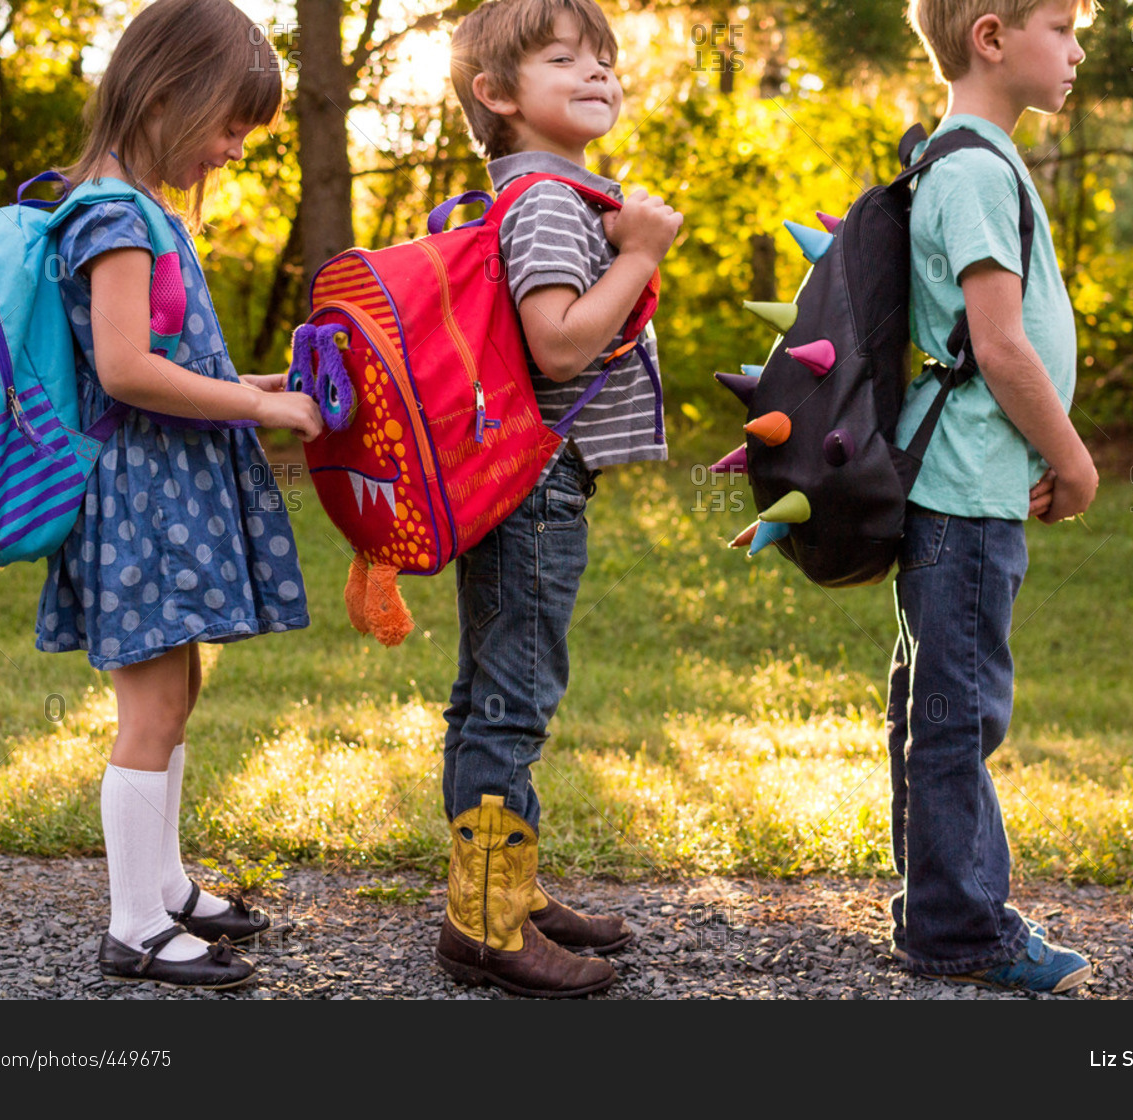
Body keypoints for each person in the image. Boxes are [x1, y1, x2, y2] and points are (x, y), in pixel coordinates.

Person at [35, 0, 323, 990]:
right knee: (150, 704)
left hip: (166, 488)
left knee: (177, 687)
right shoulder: (115, 216)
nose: (236, 147)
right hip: (143, 496)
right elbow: (123, 370)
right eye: (230, 123)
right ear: (165, 96)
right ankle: (132, 925)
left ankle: (163, 886)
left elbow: (169, 358)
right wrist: (264, 415)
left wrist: (251, 388)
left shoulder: (139, 208)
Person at [438, 0, 682, 998]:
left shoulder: (553, 192)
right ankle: (487, 925)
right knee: (513, 698)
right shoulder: (545, 201)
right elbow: (561, 343)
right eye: (563, 59)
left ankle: (507, 887)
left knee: (496, 690)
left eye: (606, 60)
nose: (599, 73)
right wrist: (640, 253)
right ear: (496, 94)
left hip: (523, 477)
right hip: (533, 483)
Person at [887, 0, 1100, 992]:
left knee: (940, 703)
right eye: (1061, 27)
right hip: (966, 489)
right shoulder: (972, 170)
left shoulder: (976, 162)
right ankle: (961, 927)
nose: (1077, 48)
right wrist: (1074, 457)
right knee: (959, 711)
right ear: (991, 36)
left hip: (967, 485)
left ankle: (937, 908)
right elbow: (1002, 345)